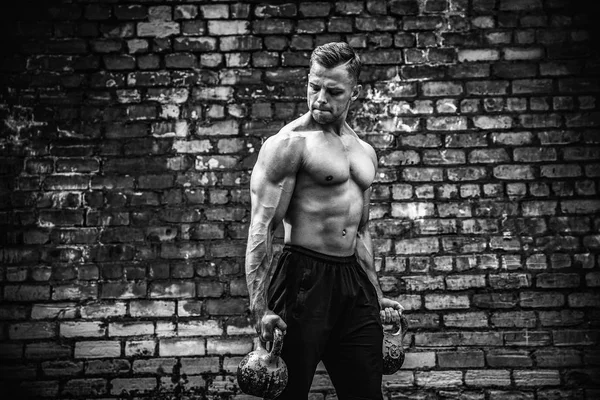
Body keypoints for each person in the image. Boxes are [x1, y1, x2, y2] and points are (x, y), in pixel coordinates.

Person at [244, 42, 403, 400]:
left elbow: (361, 230)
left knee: (366, 393)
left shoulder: (364, 152)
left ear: (355, 92)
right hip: (302, 278)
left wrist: (376, 295)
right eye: (314, 86)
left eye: (333, 91)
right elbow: (263, 227)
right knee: (289, 392)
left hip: (353, 283)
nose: (320, 98)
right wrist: (259, 307)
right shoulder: (288, 145)